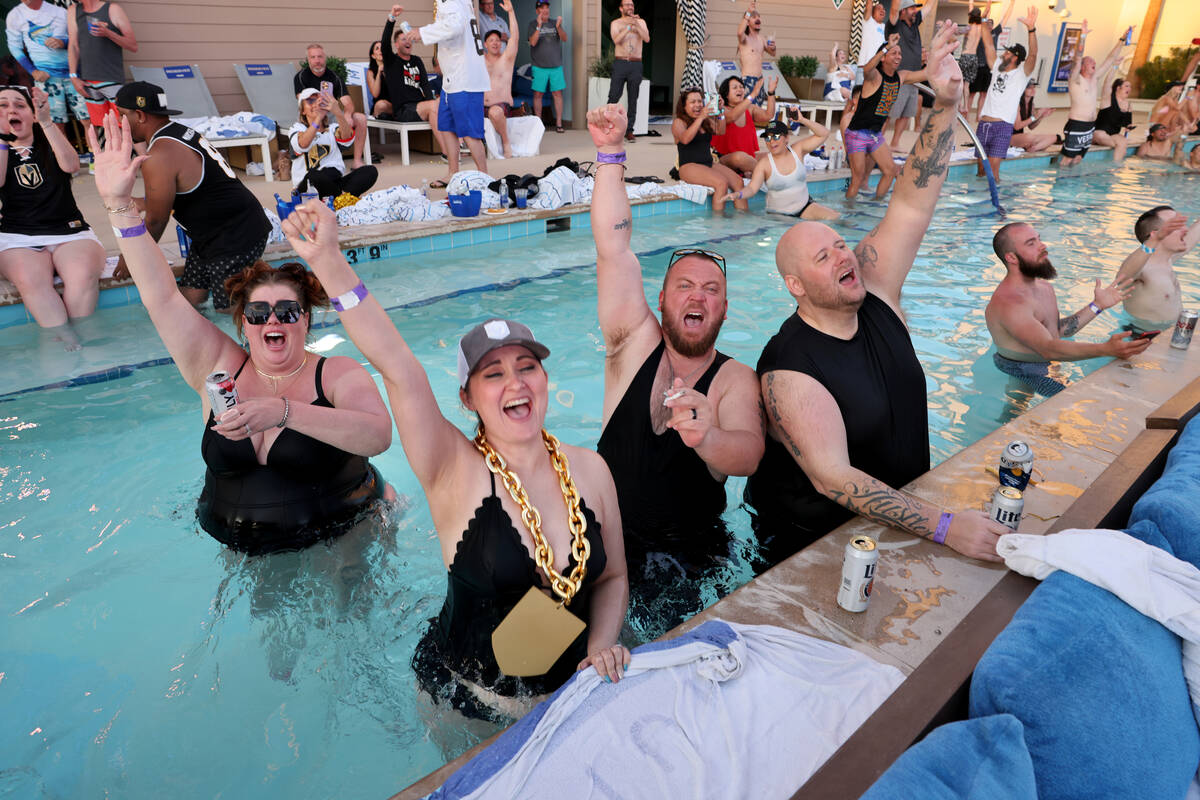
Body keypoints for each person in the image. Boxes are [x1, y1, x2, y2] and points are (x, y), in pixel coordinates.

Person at [273, 199, 631, 721]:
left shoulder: (591, 470)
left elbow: (612, 578)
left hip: (567, 698)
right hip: (466, 705)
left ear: (545, 379)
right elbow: (397, 367)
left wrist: (600, 649)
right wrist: (328, 261)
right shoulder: (454, 471)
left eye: (527, 366)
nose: (515, 383)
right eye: (493, 374)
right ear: (468, 398)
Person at [746, 21, 1010, 568]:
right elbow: (834, 478)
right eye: (825, 257)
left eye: (841, 245)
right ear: (795, 287)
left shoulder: (876, 290)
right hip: (812, 545)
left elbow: (911, 205)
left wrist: (943, 105)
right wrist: (944, 527)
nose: (844, 256)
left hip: (902, 517)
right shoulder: (788, 367)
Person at [90, 113, 395, 555]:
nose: (273, 321)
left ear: (306, 321)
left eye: (288, 311)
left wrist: (283, 412)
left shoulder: (335, 375)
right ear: (243, 324)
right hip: (240, 547)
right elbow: (161, 298)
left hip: (341, 538)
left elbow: (378, 436)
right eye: (259, 312)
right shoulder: (218, 364)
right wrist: (118, 205)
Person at [588, 102, 764, 635]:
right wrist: (609, 155)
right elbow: (612, 249)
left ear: (725, 309)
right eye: (685, 286)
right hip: (607, 543)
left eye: (712, 291)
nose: (698, 296)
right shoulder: (632, 344)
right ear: (662, 298)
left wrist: (707, 435)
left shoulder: (735, 379)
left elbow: (749, 454)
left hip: (691, 560)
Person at [112, 81, 272, 311]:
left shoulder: (159, 154)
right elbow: (197, 188)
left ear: (139, 115)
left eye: (122, 114)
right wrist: (145, 202)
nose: (120, 122)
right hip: (215, 232)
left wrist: (132, 257)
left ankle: (272, 298)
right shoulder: (178, 132)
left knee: (230, 312)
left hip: (234, 236)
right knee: (188, 301)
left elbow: (157, 220)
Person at [985, 222, 1150, 396]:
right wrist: (1105, 349)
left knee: (1017, 405)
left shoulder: (1043, 287)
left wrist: (1097, 305)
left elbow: (1056, 331)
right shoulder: (1010, 303)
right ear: (1011, 257)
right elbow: (1048, 348)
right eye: (1031, 243)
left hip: (1044, 358)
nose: (1043, 246)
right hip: (1023, 367)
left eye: (1039, 239)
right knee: (1077, 400)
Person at [0, 86, 102, 344]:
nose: (11, 109)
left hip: (70, 231)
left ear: (32, 114)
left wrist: (46, 122)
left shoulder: (48, 138)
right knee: (31, 282)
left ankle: (80, 337)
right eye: (2, 105)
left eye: (20, 105)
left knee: (83, 275)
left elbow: (71, 165)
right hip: (17, 235)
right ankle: (67, 340)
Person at [406, 0, 490, 177]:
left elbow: (454, 27)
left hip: (465, 77)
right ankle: (453, 173)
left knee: (469, 132)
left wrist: (423, 32)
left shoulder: (451, 1)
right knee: (447, 127)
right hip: (452, 77)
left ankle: (484, 177)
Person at [723, 118, 838, 220]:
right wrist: (738, 195)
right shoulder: (764, 164)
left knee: (835, 217)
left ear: (787, 137)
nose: (771, 142)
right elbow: (752, 188)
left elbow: (824, 133)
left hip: (805, 207)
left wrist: (802, 120)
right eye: (768, 138)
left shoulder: (797, 150)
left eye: (776, 137)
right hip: (779, 216)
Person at [842, 36, 913, 200]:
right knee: (857, 179)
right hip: (857, 133)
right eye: (894, 53)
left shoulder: (900, 77)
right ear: (884, 58)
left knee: (890, 171)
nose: (898, 56)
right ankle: (848, 213)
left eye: (899, 53)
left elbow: (925, 74)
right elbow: (866, 69)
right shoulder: (874, 76)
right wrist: (886, 48)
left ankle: (876, 205)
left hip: (874, 135)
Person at [6, 0, 88, 135]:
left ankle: (96, 155)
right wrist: (33, 71)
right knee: (55, 124)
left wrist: (63, 42)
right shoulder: (15, 16)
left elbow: (77, 38)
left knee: (88, 119)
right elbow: (14, 47)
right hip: (46, 78)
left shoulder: (60, 12)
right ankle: (62, 157)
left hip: (73, 74)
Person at [975, 8, 1038, 182]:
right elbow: (988, 44)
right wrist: (983, 20)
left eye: (1008, 52)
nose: (1003, 54)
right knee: (980, 170)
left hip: (1002, 127)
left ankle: (994, 204)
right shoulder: (996, 66)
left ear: (1016, 58)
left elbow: (1033, 54)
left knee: (993, 171)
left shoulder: (1021, 74)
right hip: (984, 124)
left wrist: (1031, 29)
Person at [1116, 206, 1200, 333]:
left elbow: (1192, 237)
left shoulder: (1167, 260)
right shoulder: (1142, 269)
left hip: (1173, 334)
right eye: (1175, 226)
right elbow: (1123, 277)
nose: (1186, 230)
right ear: (1155, 234)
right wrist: (1154, 240)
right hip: (1140, 340)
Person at [1059, 21, 1128, 168]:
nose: (1094, 63)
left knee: (1078, 158)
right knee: (1067, 159)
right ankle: (1058, 185)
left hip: (1090, 126)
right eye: (1091, 62)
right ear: (1082, 67)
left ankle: (1069, 185)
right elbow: (1077, 57)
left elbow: (1110, 59)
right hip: (1076, 125)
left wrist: (1121, 40)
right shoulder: (1076, 80)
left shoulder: (1094, 79)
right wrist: (1083, 35)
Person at [289, 88, 379, 199]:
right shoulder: (297, 129)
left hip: (333, 182)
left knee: (370, 171)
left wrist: (337, 111)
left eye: (319, 101)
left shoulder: (332, 129)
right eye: (310, 101)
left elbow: (347, 138)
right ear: (303, 111)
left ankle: (338, 199)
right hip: (309, 186)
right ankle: (342, 199)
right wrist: (318, 118)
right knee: (314, 175)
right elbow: (303, 143)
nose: (315, 104)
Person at [293, 44, 369, 170]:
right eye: (313, 57)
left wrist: (347, 115)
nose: (317, 61)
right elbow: (303, 102)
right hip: (312, 116)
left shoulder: (334, 77)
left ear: (325, 59)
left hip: (332, 114)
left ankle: (357, 161)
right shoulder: (301, 77)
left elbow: (348, 102)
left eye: (320, 57)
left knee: (360, 118)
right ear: (308, 60)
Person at [672, 87, 747, 213]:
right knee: (721, 183)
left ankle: (744, 219)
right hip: (689, 166)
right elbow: (685, 139)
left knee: (738, 182)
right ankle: (717, 224)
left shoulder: (706, 121)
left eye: (699, 101)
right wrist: (700, 118)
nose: (697, 105)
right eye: (693, 102)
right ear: (684, 106)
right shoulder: (679, 122)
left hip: (708, 163)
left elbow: (721, 130)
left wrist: (721, 112)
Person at [66, 0, 136, 131]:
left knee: (127, 127)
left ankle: (140, 152)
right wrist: (73, 76)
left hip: (111, 79)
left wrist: (108, 33)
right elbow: (73, 45)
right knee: (102, 127)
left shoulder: (112, 9)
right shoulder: (73, 10)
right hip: (88, 82)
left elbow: (132, 45)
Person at [885, 0, 938, 150]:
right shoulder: (895, 25)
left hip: (915, 77)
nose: (915, 10)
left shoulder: (914, 24)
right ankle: (878, 143)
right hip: (899, 77)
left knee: (906, 114)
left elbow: (928, 6)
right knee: (888, 114)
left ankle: (895, 143)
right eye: (912, 8)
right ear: (903, 11)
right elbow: (894, 8)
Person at [378, 10, 440, 136]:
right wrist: (392, 18)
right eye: (403, 39)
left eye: (409, 39)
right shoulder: (392, 61)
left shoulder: (417, 60)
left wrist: (430, 101)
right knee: (434, 106)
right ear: (396, 44)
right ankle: (447, 151)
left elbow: (425, 85)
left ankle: (452, 147)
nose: (407, 42)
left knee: (441, 104)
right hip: (403, 110)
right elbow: (384, 43)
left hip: (420, 105)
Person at [711, 74, 776, 175]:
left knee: (775, 155)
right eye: (735, 87)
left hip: (748, 158)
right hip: (724, 159)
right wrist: (753, 94)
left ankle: (750, 173)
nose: (740, 90)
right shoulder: (721, 110)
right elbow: (732, 116)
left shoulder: (750, 108)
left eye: (741, 87)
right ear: (726, 94)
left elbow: (768, 115)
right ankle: (765, 177)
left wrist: (771, 93)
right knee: (740, 157)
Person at [964, 0, 1013, 121]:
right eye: (987, 22)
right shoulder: (980, 32)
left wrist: (1012, 3)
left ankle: (979, 117)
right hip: (978, 65)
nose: (989, 24)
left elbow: (1006, 17)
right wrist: (987, 5)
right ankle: (966, 115)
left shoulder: (996, 32)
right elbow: (977, 17)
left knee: (984, 94)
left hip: (989, 67)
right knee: (971, 93)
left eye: (991, 23)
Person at [483, 0, 520, 158]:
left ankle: (506, 142)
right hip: (481, 105)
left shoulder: (506, 59)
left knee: (496, 112)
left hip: (500, 107)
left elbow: (515, 38)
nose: (495, 43)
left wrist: (511, 12)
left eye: (498, 40)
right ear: (485, 44)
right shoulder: (479, 60)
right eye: (491, 40)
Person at [608, 0, 648, 143]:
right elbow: (616, 40)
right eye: (627, 5)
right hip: (620, 62)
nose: (630, 6)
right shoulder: (616, 23)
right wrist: (629, 27)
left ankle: (629, 130)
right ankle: (610, 127)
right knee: (614, 96)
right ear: (621, 8)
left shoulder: (641, 22)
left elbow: (647, 38)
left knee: (633, 98)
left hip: (636, 64)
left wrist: (636, 24)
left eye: (632, 4)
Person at [527, 1, 567, 133]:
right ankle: (538, 123)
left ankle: (559, 123)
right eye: (542, 8)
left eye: (547, 8)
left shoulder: (555, 22)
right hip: (539, 66)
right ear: (537, 11)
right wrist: (539, 26)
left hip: (556, 66)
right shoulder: (533, 24)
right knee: (538, 94)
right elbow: (532, 42)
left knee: (557, 94)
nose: (545, 10)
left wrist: (559, 27)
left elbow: (565, 38)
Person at [735, 0, 775, 106]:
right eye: (754, 17)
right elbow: (739, 32)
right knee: (747, 111)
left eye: (759, 17)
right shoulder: (744, 39)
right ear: (748, 22)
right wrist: (748, 12)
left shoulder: (762, 39)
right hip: (747, 80)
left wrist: (774, 47)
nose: (758, 19)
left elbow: (773, 53)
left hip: (760, 81)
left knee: (758, 111)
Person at [1094, 77, 1135, 163]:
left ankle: (1116, 166)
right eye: (1127, 86)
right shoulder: (1108, 99)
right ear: (1118, 88)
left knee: (1123, 141)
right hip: (1098, 133)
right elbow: (1106, 83)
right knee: (1118, 143)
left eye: (1130, 86)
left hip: (1113, 134)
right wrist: (1114, 66)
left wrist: (1129, 127)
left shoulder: (1128, 106)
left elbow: (1128, 123)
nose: (1129, 89)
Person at [1010, 81, 1057, 153]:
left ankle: (1034, 148)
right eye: (1029, 88)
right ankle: (1033, 147)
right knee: (1029, 137)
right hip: (1009, 137)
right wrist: (1035, 116)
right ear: (1022, 90)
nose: (1033, 90)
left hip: (1021, 137)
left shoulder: (1031, 105)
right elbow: (1017, 126)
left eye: (1034, 87)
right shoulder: (1016, 103)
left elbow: (1031, 126)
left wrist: (1041, 117)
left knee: (1054, 137)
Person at [856, 1, 887, 83]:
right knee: (860, 94)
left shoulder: (886, 28)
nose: (882, 10)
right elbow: (869, 5)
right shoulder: (868, 22)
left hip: (878, 69)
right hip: (865, 66)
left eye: (883, 9)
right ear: (872, 14)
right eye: (878, 9)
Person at [365, 40, 391, 117]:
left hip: (394, 104)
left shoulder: (393, 68)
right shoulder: (371, 72)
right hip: (379, 106)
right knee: (380, 105)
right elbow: (375, 94)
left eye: (382, 48)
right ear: (373, 55)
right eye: (377, 48)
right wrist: (379, 72)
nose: (381, 50)